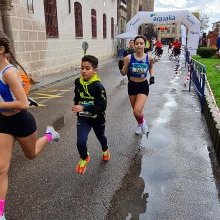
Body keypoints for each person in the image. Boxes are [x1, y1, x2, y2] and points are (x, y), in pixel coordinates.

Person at [0, 31, 60, 220]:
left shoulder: (9, 72)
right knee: (1, 168)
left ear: (1, 49)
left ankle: (50, 135)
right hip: (2, 122)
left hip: (21, 121)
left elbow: (24, 103)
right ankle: (0, 213)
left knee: (31, 154)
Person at [72, 55, 110, 175]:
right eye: (82, 68)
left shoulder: (98, 86)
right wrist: (76, 105)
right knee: (80, 142)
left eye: (87, 68)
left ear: (95, 70)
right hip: (83, 118)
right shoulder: (78, 82)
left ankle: (105, 150)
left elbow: (102, 106)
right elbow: (77, 96)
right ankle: (84, 157)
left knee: (101, 137)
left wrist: (84, 107)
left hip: (97, 119)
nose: (83, 71)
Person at [118, 35, 154, 135]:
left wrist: (152, 76)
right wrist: (120, 68)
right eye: (137, 43)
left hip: (143, 86)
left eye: (141, 43)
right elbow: (123, 73)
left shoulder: (149, 58)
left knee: (137, 111)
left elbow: (151, 68)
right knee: (136, 110)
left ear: (144, 45)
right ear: (133, 45)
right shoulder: (128, 58)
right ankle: (139, 124)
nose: (139, 45)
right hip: (132, 85)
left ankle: (143, 124)